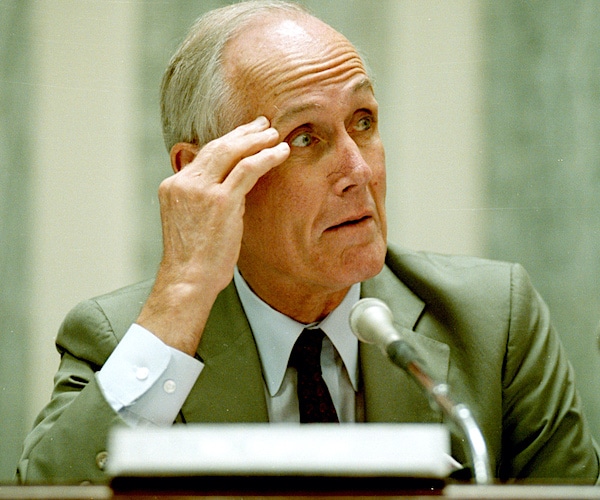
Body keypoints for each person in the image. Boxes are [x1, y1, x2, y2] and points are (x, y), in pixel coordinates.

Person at [17, 0, 599, 486]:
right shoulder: (118, 339)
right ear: (207, 174)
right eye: (305, 137)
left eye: (364, 121)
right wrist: (182, 295)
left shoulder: (493, 322)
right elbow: (47, 492)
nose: (358, 170)